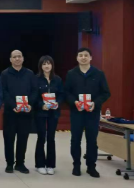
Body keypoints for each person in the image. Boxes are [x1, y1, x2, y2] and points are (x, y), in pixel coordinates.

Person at [64, 47, 110, 178]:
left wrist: (95, 103)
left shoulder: (98, 74)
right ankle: (76, 165)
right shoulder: (71, 74)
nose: (83, 57)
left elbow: (106, 93)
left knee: (92, 140)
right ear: (77, 58)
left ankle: (91, 166)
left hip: (92, 112)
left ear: (90, 58)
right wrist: (74, 102)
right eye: (80, 55)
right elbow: (66, 92)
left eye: (86, 55)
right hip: (77, 112)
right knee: (75, 140)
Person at [1, 50, 37, 174]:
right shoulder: (5, 74)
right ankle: (9, 163)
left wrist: (29, 104)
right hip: (10, 112)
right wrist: (13, 105)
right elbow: (3, 92)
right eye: (14, 57)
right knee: (9, 139)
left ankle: (20, 163)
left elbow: (34, 91)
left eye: (19, 56)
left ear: (23, 58)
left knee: (23, 139)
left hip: (26, 112)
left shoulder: (30, 74)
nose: (17, 59)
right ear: (10, 59)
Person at [34, 55, 64, 176]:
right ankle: (40, 165)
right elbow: (34, 96)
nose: (47, 66)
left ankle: (51, 165)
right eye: (44, 64)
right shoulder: (36, 79)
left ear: (52, 65)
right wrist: (41, 105)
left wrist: (58, 103)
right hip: (40, 112)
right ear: (40, 66)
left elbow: (61, 94)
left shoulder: (57, 79)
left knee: (51, 138)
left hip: (53, 113)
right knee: (41, 137)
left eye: (49, 63)